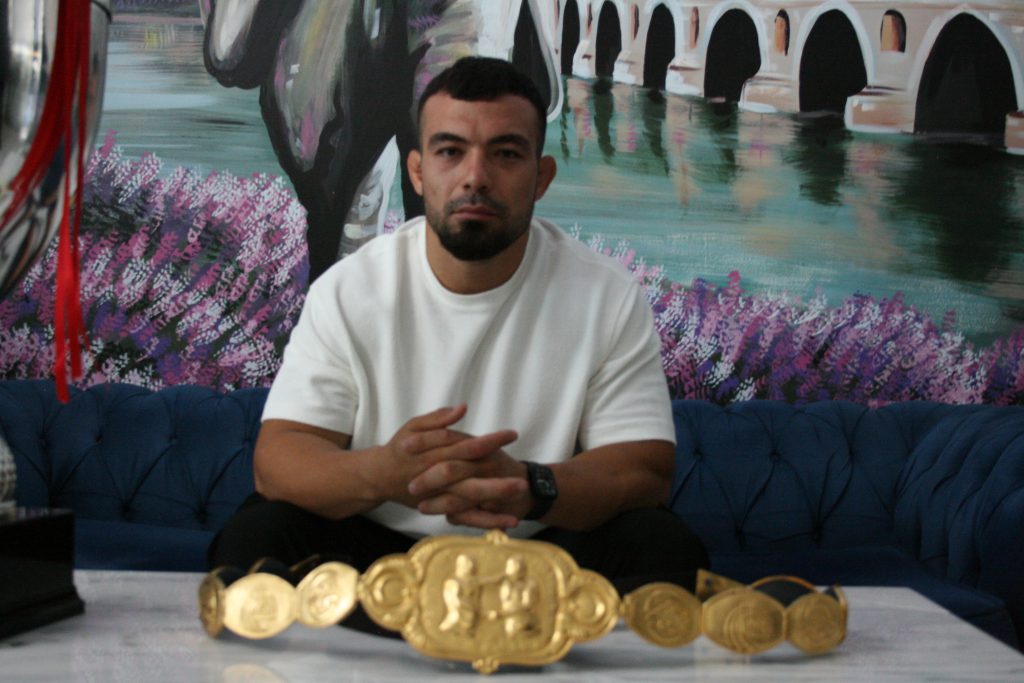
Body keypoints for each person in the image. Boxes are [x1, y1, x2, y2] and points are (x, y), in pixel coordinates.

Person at [208, 56, 708, 635]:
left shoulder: (607, 295)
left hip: (536, 553)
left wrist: (530, 486)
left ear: (541, 177)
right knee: (254, 538)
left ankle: (414, 634)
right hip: (379, 548)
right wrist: (387, 473)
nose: (476, 177)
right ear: (418, 172)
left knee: (665, 548)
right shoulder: (348, 289)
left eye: (506, 154)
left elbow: (643, 472)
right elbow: (279, 461)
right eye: (450, 151)